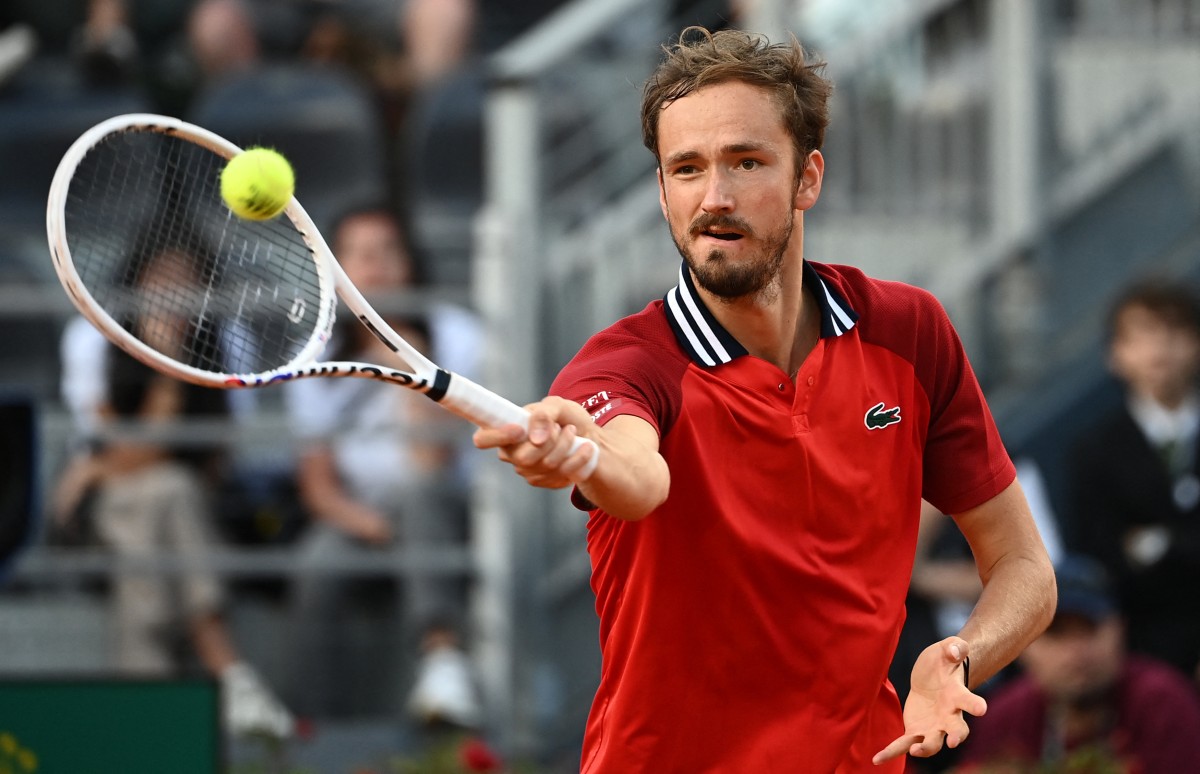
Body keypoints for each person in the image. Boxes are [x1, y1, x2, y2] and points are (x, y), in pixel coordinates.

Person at [472, 27, 1056, 772]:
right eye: (686, 169)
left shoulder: (909, 333)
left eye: (745, 162)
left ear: (807, 178)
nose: (714, 197)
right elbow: (637, 479)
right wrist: (579, 448)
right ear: (661, 191)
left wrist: (961, 656)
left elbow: (1026, 570)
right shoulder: (624, 367)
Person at [52, 243, 294, 739]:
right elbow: (115, 453)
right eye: (160, 278)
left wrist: (175, 362)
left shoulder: (228, 341)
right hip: (110, 512)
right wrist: (163, 365)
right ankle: (228, 669)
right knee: (166, 490)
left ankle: (148, 722)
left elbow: (208, 461)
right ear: (135, 281)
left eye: (187, 281)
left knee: (166, 498)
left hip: (177, 512)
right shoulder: (93, 338)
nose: (173, 293)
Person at [284, 205, 480, 725]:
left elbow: (432, 462)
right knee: (315, 566)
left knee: (421, 496)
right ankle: (314, 723)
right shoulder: (315, 353)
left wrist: (413, 374)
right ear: (336, 265)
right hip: (361, 518)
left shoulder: (456, 335)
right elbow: (319, 488)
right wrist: (375, 526)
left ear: (410, 263)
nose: (375, 266)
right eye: (359, 254)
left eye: (387, 251)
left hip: (445, 510)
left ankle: (443, 667)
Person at [1066, 279, 1200, 682]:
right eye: (1141, 335)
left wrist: (1155, 543)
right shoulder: (1093, 450)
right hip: (1140, 657)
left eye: (1173, 332)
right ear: (1115, 354)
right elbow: (1096, 556)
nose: (1158, 350)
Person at [958, 554, 1200, 771]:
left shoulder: (1162, 703)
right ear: (1022, 645)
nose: (1076, 650)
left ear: (1120, 629)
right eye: (1056, 633)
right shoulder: (1006, 717)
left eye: (1089, 628)